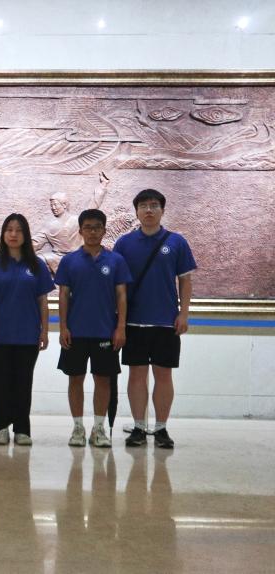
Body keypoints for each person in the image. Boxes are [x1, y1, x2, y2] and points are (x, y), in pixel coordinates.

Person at [113, 189, 196, 449]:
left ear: (162, 210)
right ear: (136, 211)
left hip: (165, 322)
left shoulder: (177, 242)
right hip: (134, 322)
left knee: (163, 375)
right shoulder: (124, 244)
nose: (149, 210)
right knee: (136, 375)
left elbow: (185, 281)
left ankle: (161, 429)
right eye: (143, 206)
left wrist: (184, 313)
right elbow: (117, 286)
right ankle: (139, 427)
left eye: (154, 205)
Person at [55, 208, 131, 449]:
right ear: (80, 231)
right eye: (88, 227)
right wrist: (63, 327)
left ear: (104, 231)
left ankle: (99, 429)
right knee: (75, 379)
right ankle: (78, 428)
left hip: (105, 332)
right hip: (75, 332)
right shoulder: (69, 261)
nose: (92, 232)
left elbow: (121, 296)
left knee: (103, 380)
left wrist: (121, 328)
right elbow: (63, 296)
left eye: (97, 228)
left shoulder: (116, 261)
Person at [0, 213, 54, 446]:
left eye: (19, 230)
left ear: (26, 235)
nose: (13, 234)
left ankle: (22, 430)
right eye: (9, 230)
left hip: (28, 335)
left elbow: (42, 300)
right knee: (1, 382)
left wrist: (44, 331)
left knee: (23, 382)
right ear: (3, 234)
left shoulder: (36, 265)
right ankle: (1, 428)